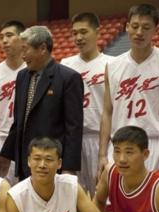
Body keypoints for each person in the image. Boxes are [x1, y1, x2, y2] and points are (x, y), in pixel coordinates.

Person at [0, 25, 84, 179]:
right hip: (26, 160)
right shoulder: (22, 76)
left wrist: (69, 167)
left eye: (26, 49)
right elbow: (18, 122)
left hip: (52, 163)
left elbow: (74, 127)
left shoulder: (68, 78)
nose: (22, 56)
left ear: (43, 48)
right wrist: (6, 154)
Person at [99, 3, 159, 174]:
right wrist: (102, 154)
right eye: (135, 26)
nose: (139, 32)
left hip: (154, 143)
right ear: (127, 27)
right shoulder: (112, 65)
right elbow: (107, 111)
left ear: (155, 29)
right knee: (116, 200)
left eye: (146, 27)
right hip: (119, 145)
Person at [61, 12, 114, 196]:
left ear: (97, 32)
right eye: (75, 33)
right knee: (75, 198)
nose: (78, 37)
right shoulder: (65, 64)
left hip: (102, 139)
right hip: (73, 139)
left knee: (104, 196)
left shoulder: (112, 64)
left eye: (83, 31)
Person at [7, 137, 108, 212]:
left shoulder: (72, 186)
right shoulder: (16, 196)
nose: (42, 165)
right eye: (37, 159)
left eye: (49, 159)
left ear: (59, 163)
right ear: (29, 161)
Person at [95, 126, 159, 212]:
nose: (122, 159)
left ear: (145, 154)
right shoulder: (110, 173)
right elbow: (98, 200)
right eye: (117, 151)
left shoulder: (157, 188)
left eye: (129, 152)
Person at [0, 20, 26, 185]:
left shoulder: (33, 69)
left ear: (22, 39)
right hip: (2, 139)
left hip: (26, 140)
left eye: (9, 35)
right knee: (2, 195)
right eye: (1, 37)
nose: (4, 41)